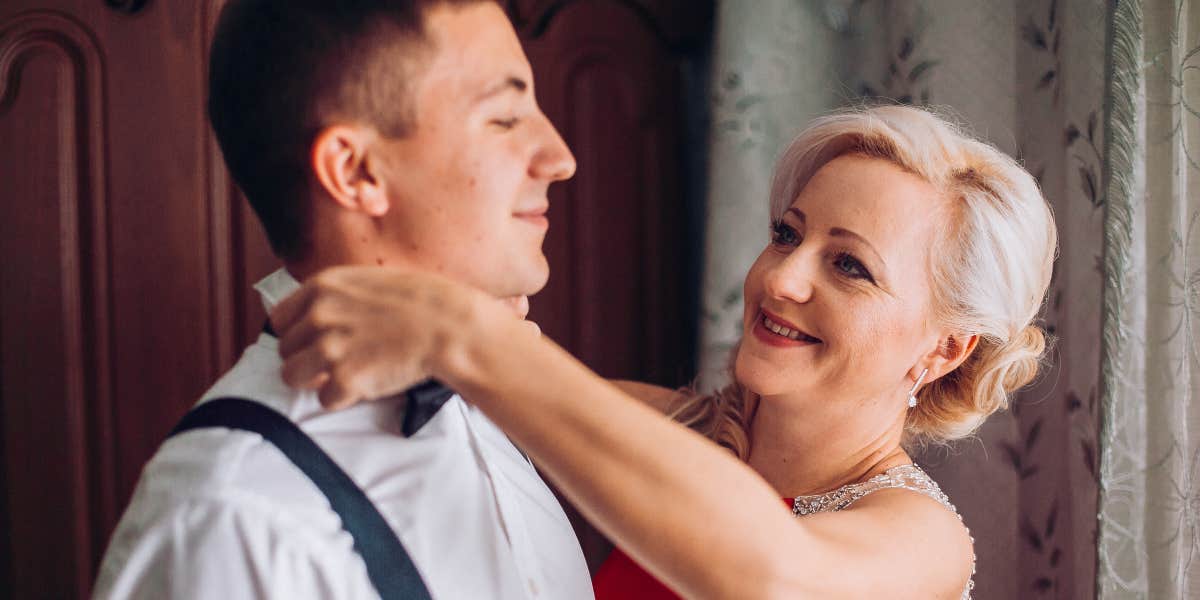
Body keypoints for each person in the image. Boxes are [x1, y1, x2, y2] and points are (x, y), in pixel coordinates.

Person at [270, 104, 1057, 599]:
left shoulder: (922, 538)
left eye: (848, 265)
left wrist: (467, 335)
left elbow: (771, 578)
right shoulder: (674, 435)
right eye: (786, 233)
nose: (780, 278)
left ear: (944, 350)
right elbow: (483, 383)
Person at [93, 1, 592, 598]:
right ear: (355, 171)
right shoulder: (235, 517)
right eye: (506, 118)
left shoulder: (483, 397)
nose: (560, 158)